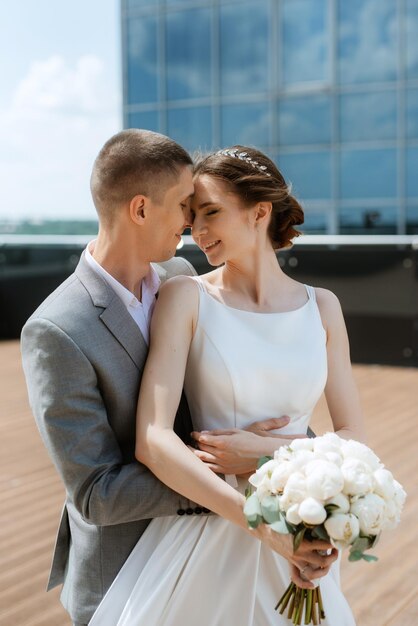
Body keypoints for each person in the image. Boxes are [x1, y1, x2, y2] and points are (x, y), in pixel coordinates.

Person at [20, 130, 313, 626]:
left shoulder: (181, 277)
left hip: (219, 561)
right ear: (139, 209)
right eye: (183, 205)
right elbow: (96, 493)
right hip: (125, 578)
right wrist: (227, 470)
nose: (190, 223)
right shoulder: (57, 330)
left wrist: (281, 449)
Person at [89, 146, 365, 625]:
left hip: (299, 532)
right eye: (192, 216)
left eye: (211, 212)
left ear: (260, 212)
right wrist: (263, 527)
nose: (197, 230)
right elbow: (152, 439)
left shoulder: (323, 307)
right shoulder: (186, 295)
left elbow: (352, 437)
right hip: (210, 531)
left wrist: (265, 452)